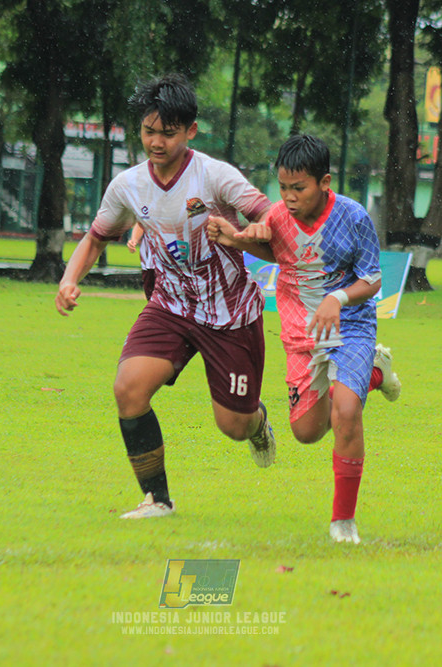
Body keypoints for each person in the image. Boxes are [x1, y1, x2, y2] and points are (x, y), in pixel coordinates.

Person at [54, 73, 276, 519]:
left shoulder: (216, 177)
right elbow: (96, 236)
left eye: (168, 133)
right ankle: (158, 499)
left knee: (232, 425)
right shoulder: (128, 186)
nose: (156, 142)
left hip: (228, 313)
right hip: (170, 306)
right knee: (128, 389)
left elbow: (273, 225)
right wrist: (69, 277)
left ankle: (256, 421)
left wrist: (238, 236)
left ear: (190, 130)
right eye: (148, 131)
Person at [207, 135, 401, 545]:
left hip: (350, 325)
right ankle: (376, 375)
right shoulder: (278, 217)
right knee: (307, 432)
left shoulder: (353, 217)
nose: (290, 197)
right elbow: (274, 249)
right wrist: (233, 236)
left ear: (324, 182)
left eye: (300, 188)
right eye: (284, 188)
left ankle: (343, 521)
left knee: (346, 411)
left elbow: (373, 277)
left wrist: (337, 296)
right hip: (301, 333)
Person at [125, 222, 155, 299]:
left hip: (173, 263)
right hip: (149, 262)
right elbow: (142, 222)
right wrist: (134, 240)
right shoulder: (150, 210)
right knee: (151, 297)